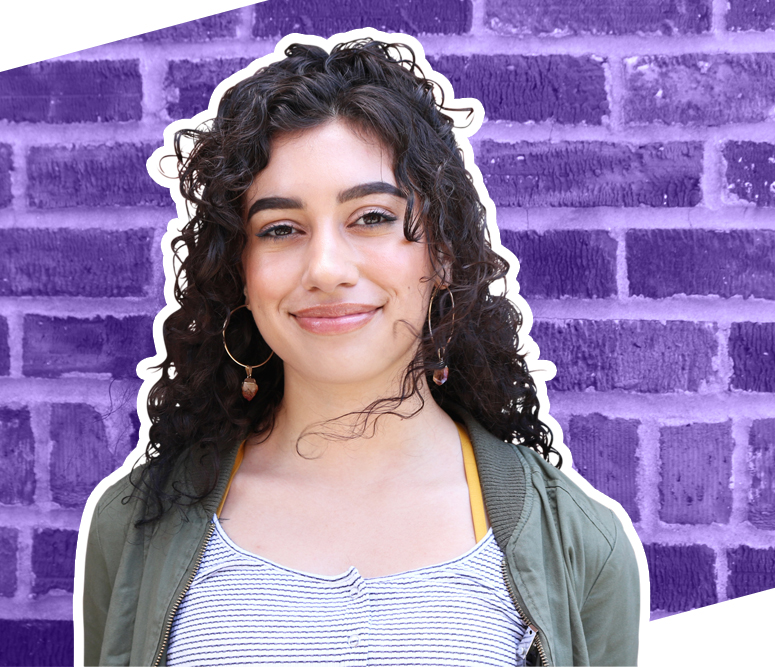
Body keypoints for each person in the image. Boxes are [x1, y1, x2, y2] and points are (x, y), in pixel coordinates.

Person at [78, 33, 642, 667]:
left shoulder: (579, 543)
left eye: (371, 217)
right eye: (281, 229)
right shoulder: (132, 529)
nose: (325, 267)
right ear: (240, 270)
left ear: (444, 254)